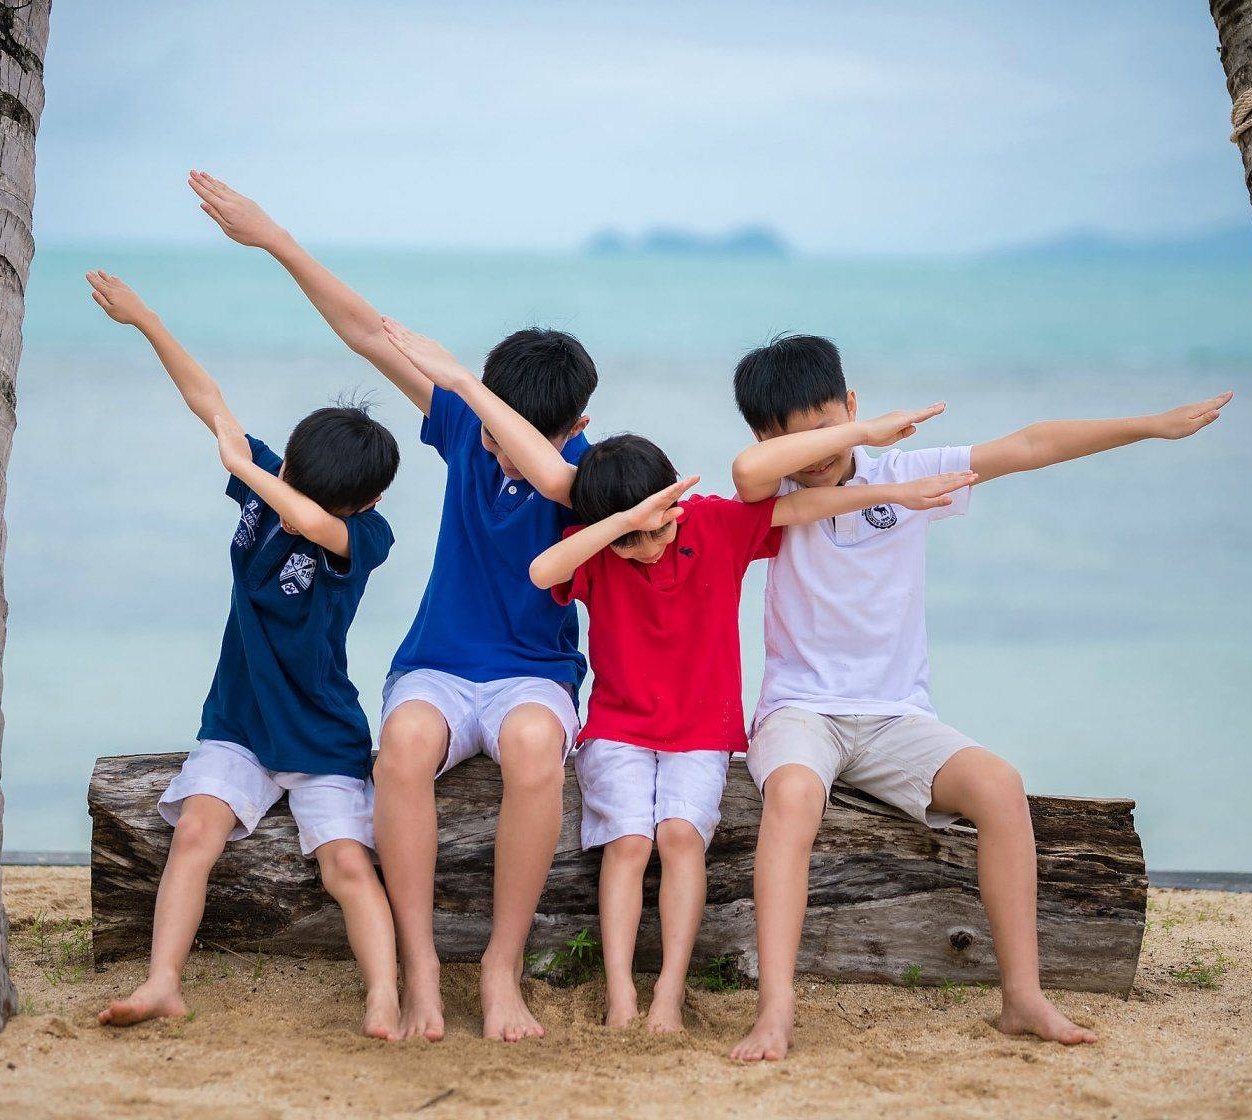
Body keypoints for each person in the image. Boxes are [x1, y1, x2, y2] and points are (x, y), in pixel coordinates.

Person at [385, 317, 969, 1034]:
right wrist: (616, 525)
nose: (649, 547)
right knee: (629, 845)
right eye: (633, 539)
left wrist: (891, 495)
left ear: (676, 504)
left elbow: (798, 504)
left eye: (660, 528)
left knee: (683, 839)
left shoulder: (711, 525)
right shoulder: (602, 549)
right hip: (619, 726)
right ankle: (620, 993)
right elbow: (543, 570)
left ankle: (667, 993)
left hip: (700, 732)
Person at [724, 333, 1232, 1060]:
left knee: (999, 785)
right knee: (795, 796)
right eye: (796, 441)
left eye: (830, 426)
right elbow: (746, 472)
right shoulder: (771, 494)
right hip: (801, 710)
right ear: (767, 439)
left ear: (852, 403)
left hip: (896, 717)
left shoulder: (908, 473)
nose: (816, 455)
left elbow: (1027, 445)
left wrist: (1148, 425)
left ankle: (1022, 997)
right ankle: (776, 1008)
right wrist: (855, 436)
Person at [187, 172, 595, 1041]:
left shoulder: (585, 469)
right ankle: (419, 968)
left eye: (511, 435)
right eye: (489, 430)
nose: (495, 449)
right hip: (438, 664)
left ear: (575, 423)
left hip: (534, 673)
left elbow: (557, 480)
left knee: (533, 749)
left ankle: (501, 967)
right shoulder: (467, 432)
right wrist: (274, 238)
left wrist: (472, 391)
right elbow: (368, 331)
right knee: (403, 745)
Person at [84, 270, 403, 1039]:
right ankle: (164, 982)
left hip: (322, 733)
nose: (290, 500)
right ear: (289, 463)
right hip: (238, 722)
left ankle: (385, 997)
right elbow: (208, 401)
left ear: (365, 506)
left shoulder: (363, 536)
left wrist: (250, 469)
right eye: (288, 476)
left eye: (305, 493)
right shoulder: (270, 484)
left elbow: (310, 521)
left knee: (346, 866)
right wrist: (147, 319)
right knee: (196, 833)